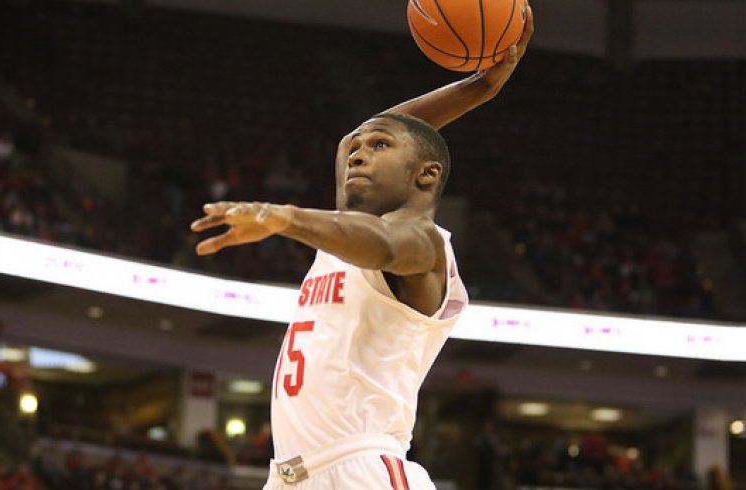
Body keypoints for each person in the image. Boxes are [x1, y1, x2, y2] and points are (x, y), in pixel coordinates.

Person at [190, 6, 534, 488]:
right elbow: (365, 131)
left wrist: (285, 217)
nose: (357, 151)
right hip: (289, 477)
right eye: (358, 147)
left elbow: (384, 245)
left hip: (363, 468)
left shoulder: (424, 244)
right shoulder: (344, 231)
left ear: (426, 174)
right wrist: (479, 87)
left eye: (379, 147)